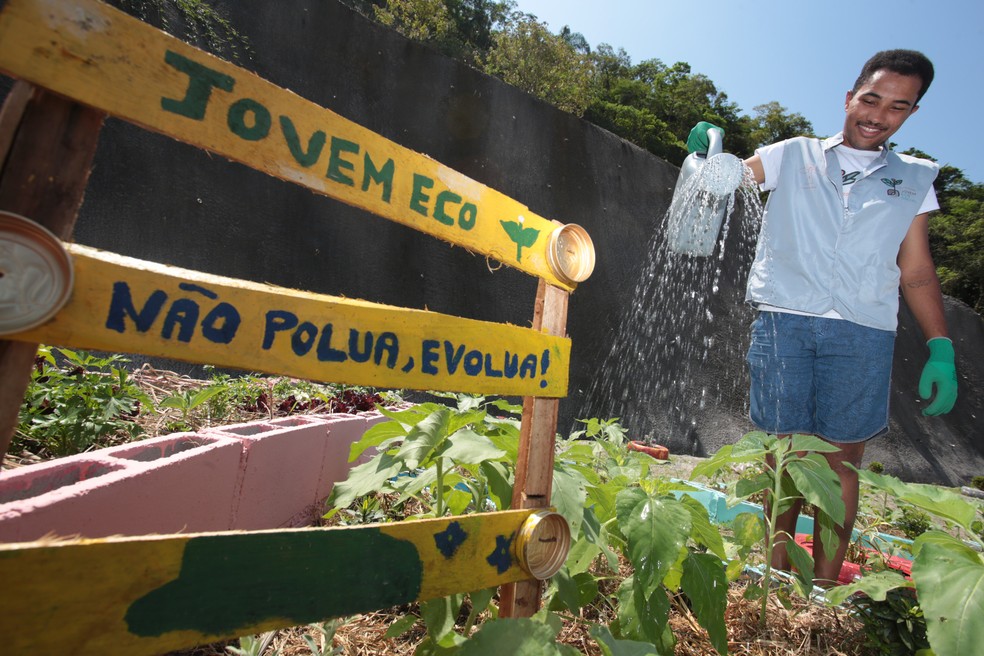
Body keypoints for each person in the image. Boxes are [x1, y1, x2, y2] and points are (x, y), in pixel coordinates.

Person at [689, 49, 958, 585]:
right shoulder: (795, 154)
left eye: (897, 107)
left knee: (840, 465)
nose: (878, 115)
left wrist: (940, 347)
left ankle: (824, 588)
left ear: (911, 114)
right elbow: (731, 181)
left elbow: (918, 270)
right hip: (784, 322)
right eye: (871, 99)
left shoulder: (914, 179)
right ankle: (774, 575)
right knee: (783, 456)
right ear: (850, 97)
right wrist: (705, 155)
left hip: (862, 333)